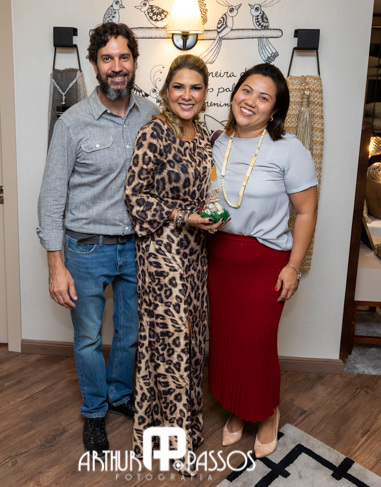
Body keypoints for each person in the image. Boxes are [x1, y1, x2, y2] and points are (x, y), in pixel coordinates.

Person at [37, 23, 158, 453]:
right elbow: (52, 197)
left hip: (138, 248)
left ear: (135, 62)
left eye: (124, 57)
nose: (116, 66)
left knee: (130, 333)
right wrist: (56, 266)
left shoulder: (151, 116)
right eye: (107, 58)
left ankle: (120, 396)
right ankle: (93, 411)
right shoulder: (72, 123)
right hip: (86, 250)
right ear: (94, 65)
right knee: (88, 338)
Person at [207, 63, 318, 458]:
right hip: (218, 259)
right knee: (226, 342)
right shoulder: (215, 141)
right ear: (234, 92)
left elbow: (306, 212)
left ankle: (266, 413)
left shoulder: (289, 149)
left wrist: (293, 266)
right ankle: (237, 408)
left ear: (274, 110)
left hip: (265, 261)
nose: (251, 101)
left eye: (264, 97)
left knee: (257, 344)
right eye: (246, 90)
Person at [124, 54, 223, 470]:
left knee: (192, 341)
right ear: (166, 91)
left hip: (195, 250)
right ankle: (175, 447)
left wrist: (211, 217)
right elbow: (134, 196)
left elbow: (206, 192)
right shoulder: (155, 132)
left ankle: (167, 431)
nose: (187, 95)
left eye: (195, 87)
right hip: (161, 250)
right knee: (171, 342)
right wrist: (184, 216)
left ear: (205, 93)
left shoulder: (201, 136)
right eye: (179, 87)